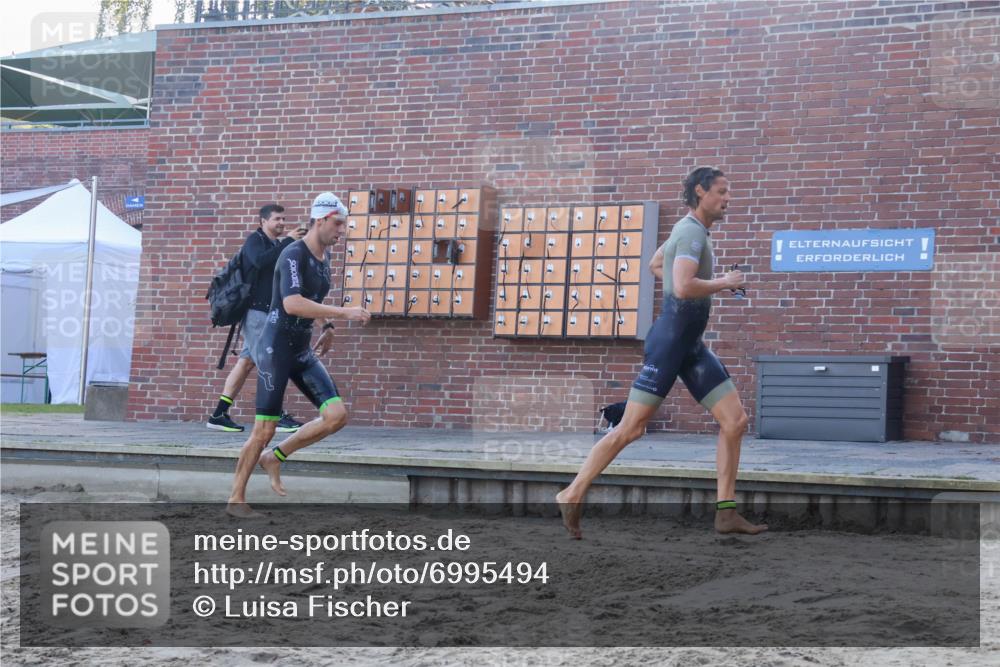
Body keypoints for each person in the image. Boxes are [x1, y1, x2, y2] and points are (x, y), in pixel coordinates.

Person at [556, 167, 767, 537]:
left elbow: (658, 265)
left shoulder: (691, 231)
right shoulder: (688, 231)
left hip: (691, 346)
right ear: (700, 192)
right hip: (670, 344)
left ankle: (726, 513)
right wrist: (725, 282)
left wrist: (692, 283)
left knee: (735, 422)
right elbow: (683, 287)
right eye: (721, 191)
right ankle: (572, 492)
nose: (727, 199)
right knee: (631, 428)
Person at [227, 192, 371, 518]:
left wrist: (328, 326)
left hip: (301, 349)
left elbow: (309, 299)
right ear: (320, 220)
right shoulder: (293, 254)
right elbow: (292, 303)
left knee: (336, 416)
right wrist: (345, 313)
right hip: (275, 349)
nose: (342, 231)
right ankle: (236, 499)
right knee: (264, 429)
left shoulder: (324, 258)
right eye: (338, 224)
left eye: (344, 225)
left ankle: (274, 458)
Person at [207, 204, 306, 433]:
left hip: (267, 313)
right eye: (277, 219)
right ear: (263, 221)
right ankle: (276, 416)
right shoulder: (255, 240)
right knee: (269, 363)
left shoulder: (275, 244)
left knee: (246, 364)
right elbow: (259, 261)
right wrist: (287, 240)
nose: (282, 223)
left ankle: (218, 414)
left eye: (283, 219)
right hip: (256, 314)